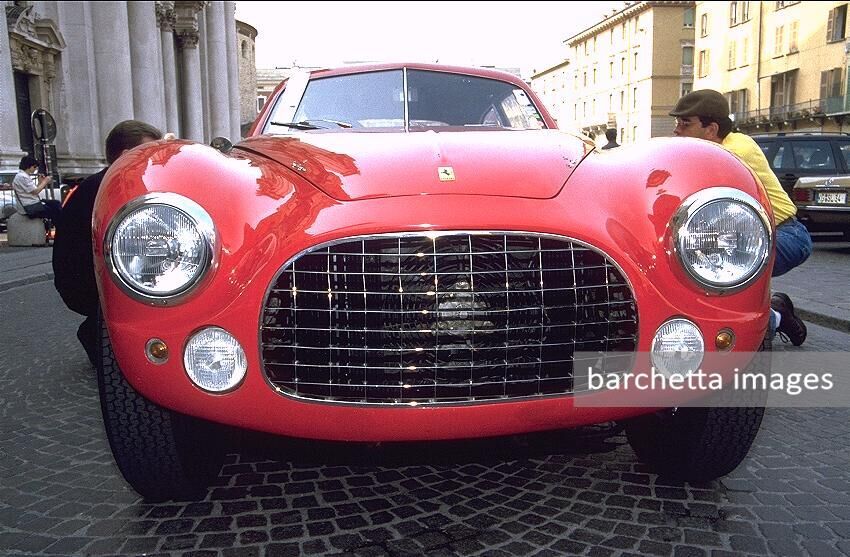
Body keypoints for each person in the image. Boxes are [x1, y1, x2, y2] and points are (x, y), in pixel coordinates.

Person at [670, 89, 812, 346]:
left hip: (787, 235)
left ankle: (775, 317)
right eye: (677, 123)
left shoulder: (733, 151)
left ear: (711, 129)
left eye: (685, 124)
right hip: (763, 236)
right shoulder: (714, 150)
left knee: (715, 276)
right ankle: (772, 310)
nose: (677, 130)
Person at [52, 120, 165, 367]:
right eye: (148, 153)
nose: (154, 160)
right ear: (126, 156)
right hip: (89, 284)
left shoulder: (106, 184)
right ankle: (99, 332)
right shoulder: (110, 190)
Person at [12, 155, 61, 222]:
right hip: (30, 206)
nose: (35, 169)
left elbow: (32, 190)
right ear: (28, 166)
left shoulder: (23, 176)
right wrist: (45, 181)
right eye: (34, 167)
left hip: (33, 203)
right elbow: (35, 191)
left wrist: (40, 182)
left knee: (56, 204)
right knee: (55, 211)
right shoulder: (22, 177)